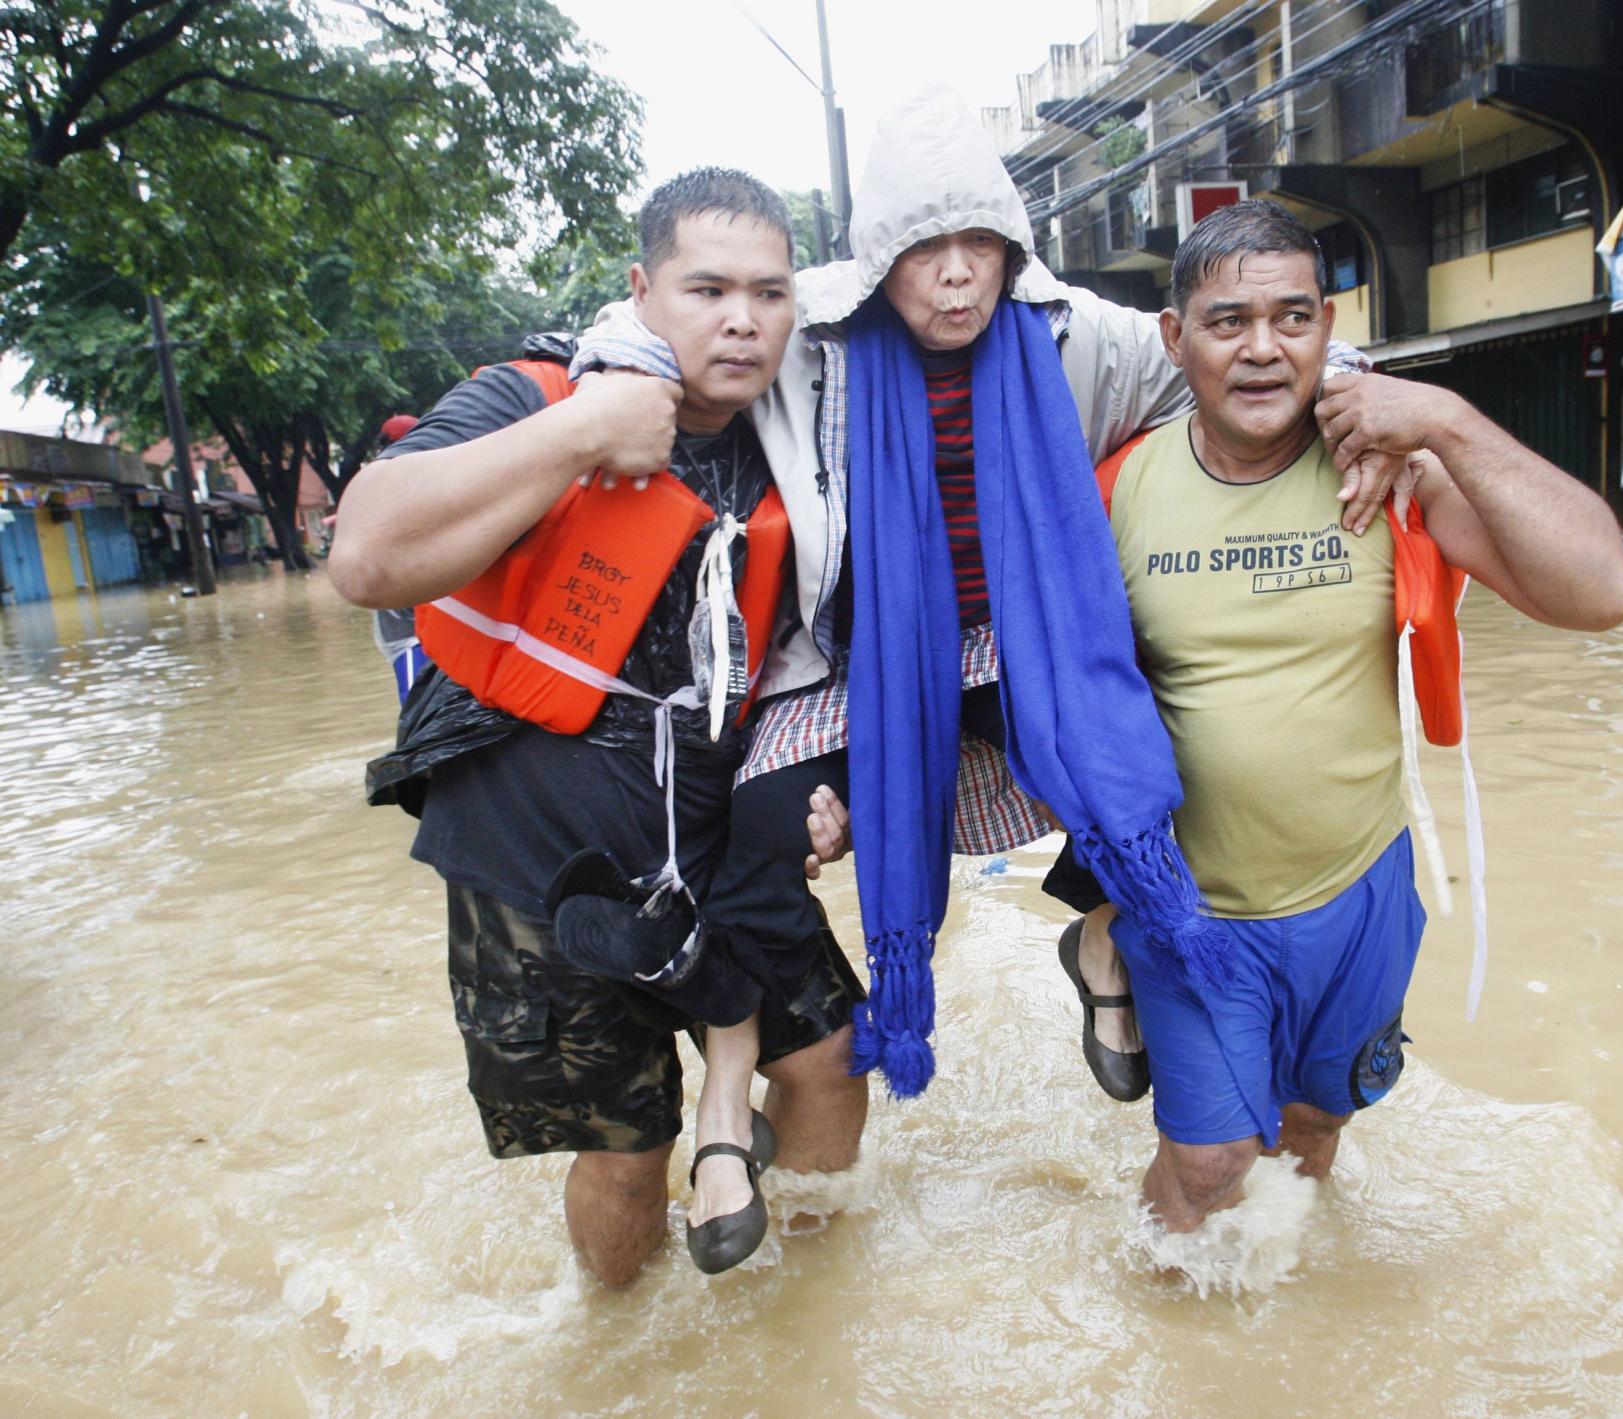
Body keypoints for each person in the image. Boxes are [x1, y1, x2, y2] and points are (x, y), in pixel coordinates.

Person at [580, 88, 1408, 1107]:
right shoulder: (809, 331)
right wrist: (614, 383)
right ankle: (743, 1079)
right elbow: (656, 320)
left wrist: (1367, 403)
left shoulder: (1071, 330)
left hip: (1028, 640)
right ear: (880, 257)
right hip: (859, 663)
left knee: (1147, 765)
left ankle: (1106, 942)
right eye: (926, 248)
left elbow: (1245, 352)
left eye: (982, 241)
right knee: (756, 837)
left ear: (1013, 246)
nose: (959, 272)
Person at [1041, 200, 1623, 1264]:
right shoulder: (1116, 489)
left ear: (1329, 327)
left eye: (1291, 317)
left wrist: (1446, 421)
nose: (1263, 349)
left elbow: (1601, 593)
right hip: (1194, 913)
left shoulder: (1395, 471)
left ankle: (1288, 1327)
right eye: (1226, 322)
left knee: (1314, 1130)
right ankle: (1160, 1326)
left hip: (1359, 887)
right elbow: (1050, 698)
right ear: (1174, 340)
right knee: (1211, 1162)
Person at [329, 169, 867, 1284]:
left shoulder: (807, 436)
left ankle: (806, 1324)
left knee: (827, 1057)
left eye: (768, 294)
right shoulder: (538, 392)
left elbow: (834, 658)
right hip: (535, 851)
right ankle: (621, 1352)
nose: (740, 319)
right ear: (640, 289)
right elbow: (364, 554)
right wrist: (581, 432)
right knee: (627, 1151)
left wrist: (834, 791)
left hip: (715, 835)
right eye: (706, 287)